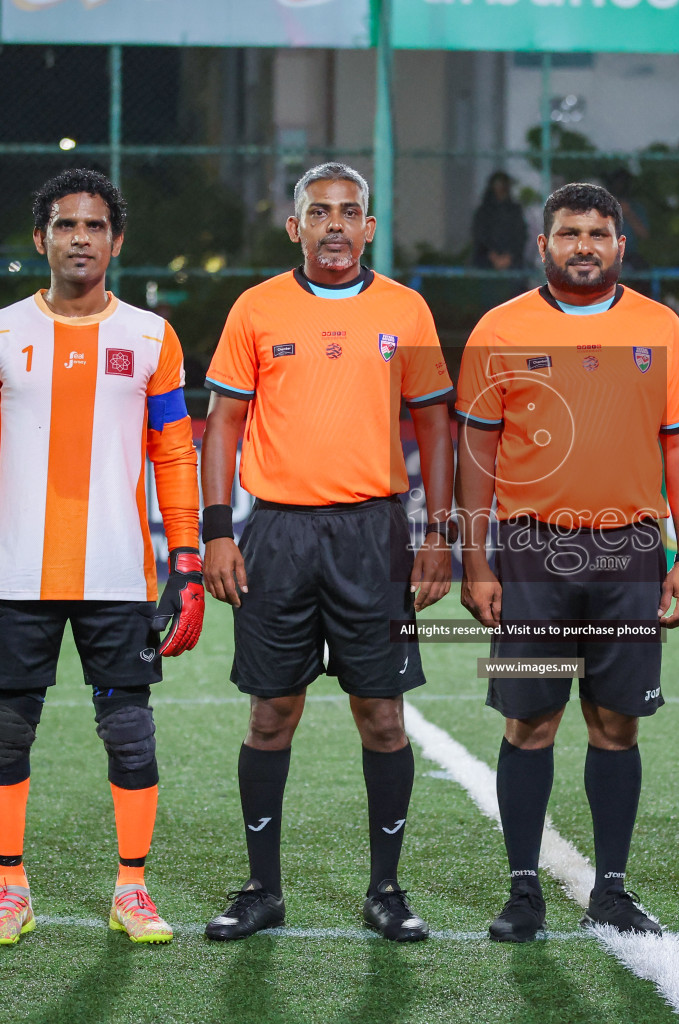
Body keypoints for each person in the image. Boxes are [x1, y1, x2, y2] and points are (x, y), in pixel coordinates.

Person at [0, 168, 203, 946]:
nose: (82, 237)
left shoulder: (151, 336)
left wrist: (185, 559)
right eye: (66, 224)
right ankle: (11, 888)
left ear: (117, 240)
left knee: (130, 731)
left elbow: (174, 451)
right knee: (7, 730)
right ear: (41, 238)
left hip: (117, 574)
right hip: (16, 574)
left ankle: (132, 890)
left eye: (96, 225)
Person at [198, 163, 456, 943]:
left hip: (373, 534)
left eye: (350, 212)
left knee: (382, 716)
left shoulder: (405, 309)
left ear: (370, 227)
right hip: (277, 532)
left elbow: (439, 427)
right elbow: (221, 425)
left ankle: (386, 890)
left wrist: (438, 533)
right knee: (271, 712)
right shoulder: (256, 307)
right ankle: (261, 889)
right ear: (296, 227)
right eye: (320, 213)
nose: (336, 225)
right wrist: (217, 529)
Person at [456, 182, 679, 942]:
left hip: (629, 552)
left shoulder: (662, 328)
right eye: (569, 233)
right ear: (544, 243)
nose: (584, 245)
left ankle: (613, 890)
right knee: (528, 724)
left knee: (616, 726)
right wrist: (476, 560)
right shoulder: (500, 328)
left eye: (599, 233)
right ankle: (522, 889)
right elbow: (478, 452)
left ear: (620, 245)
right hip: (529, 553)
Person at [471, 171, 528, 271]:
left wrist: (509, 256)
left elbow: (521, 235)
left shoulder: (514, 210)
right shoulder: (484, 211)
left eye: (503, 186)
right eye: (498, 185)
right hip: (486, 259)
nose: (500, 189)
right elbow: (479, 235)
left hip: (512, 260)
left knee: (519, 275)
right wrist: (493, 256)